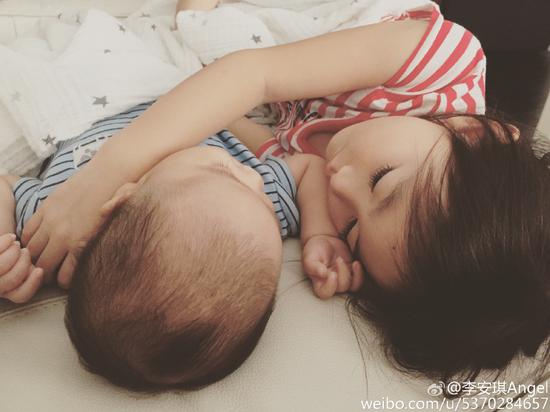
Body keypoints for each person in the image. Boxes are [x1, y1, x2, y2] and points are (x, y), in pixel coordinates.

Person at [13, 0, 550, 392]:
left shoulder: (334, 176)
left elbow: (233, 124)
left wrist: (321, 231)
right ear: (473, 133)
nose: (339, 182)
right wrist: (99, 179)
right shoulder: (437, 61)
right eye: (381, 181)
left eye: (353, 229)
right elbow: (253, 74)